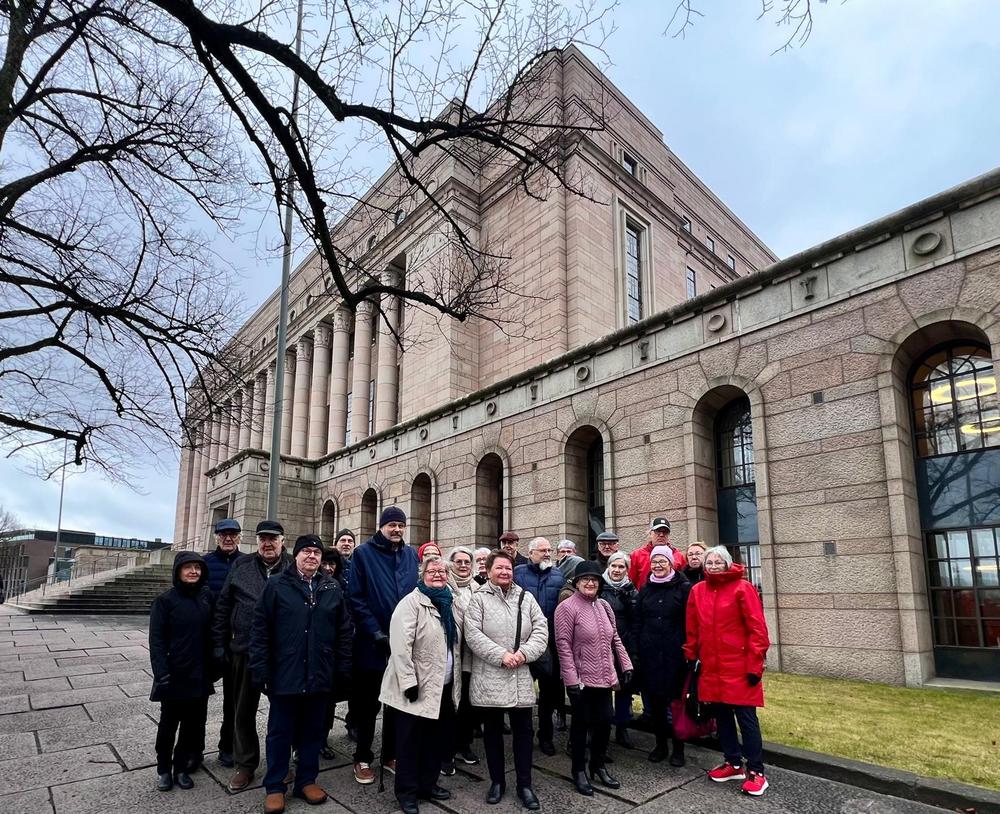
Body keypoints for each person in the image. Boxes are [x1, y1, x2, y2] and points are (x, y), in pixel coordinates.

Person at [250, 535, 353, 814]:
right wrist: (260, 668)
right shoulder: (276, 585)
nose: (312, 556)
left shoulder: (331, 587)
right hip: (286, 671)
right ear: (295, 555)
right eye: (306, 551)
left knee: (312, 731)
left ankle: (307, 780)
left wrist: (342, 666)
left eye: (316, 553)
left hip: (319, 671)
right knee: (280, 732)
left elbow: (343, 630)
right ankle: (275, 786)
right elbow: (260, 629)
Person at [212, 519, 292, 792]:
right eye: (263, 539)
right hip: (244, 649)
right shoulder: (241, 565)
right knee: (242, 710)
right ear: (256, 541)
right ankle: (245, 764)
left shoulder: (293, 566)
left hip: (282, 653)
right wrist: (220, 643)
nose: (267, 544)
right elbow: (224, 605)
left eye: (273, 539)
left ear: (282, 541)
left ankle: (280, 764)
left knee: (283, 712)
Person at [684, 546, 771, 797]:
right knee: (722, 717)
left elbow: (757, 628)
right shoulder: (698, 590)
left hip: (739, 666)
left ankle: (756, 771)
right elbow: (693, 627)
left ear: (727, 564)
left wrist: (755, 664)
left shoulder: (743, 588)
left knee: (747, 719)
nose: (713, 566)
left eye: (717, 562)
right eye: (709, 562)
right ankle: (733, 762)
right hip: (712, 667)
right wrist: (691, 655)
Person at [464, 549, 548, 810]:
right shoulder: (478, 599)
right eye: (499, 568)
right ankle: (497, 782)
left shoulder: (526, 597)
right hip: (490, 675)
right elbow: (472, 634)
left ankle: (525, 785)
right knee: (493, 733)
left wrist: (523, 654)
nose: (504, 572)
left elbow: (541, 629)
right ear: (488, 571)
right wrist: (501, 655)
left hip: (519, 675)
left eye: (508, 568)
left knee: (524, 733)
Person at [380, 556, 462, 814]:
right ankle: (407, 792)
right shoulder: (411, 603)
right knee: (410, 742)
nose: (437, 574)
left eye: (442, 571)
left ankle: (428, 784)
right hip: (416, 686)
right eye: (432, 571)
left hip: (443, 685)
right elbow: (399, 646)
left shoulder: (451, 602)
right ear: (422, 575)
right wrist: (408, 682)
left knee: (435, 740)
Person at [348, 507, 419, 785]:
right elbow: (356, 597)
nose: (397, 529)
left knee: (397, 704)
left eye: (401, 525)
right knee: (368, 707)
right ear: (381, 526)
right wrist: (375, 632)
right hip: (373, 643)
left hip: (403, 644)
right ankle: (362, 757)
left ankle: (390, 754)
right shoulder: (363, 554)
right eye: (392, 525)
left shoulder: (410, 555)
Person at [554, 561, 633, 797]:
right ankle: (578, 770)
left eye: (595, 579)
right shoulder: (567, 608)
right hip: (581, 680)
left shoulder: (604, 606)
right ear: (577, 582)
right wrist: (570, 679)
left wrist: (626, 665)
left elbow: (615, 638)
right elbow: (563, 645)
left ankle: (598, 765)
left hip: (605, 677)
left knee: (604, 723)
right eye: (585, 579)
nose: (590, 583)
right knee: (581, 726)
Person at [149, 551, 217, 792]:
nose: (193, 572)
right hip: (174, 673)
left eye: (197, 568)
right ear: (178, 571)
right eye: (188, 567)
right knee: (168, 725)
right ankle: (163, 769)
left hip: (199, 673)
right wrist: (161, 672)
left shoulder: (206, 598)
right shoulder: (164, 601)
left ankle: (180, 768)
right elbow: (156, 641)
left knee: (192, 725)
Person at [634, 545, 690, 765]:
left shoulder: (684, 588)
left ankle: (679, 748)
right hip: (651, 655)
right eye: (654, 562)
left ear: (671, 564)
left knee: (676, 705)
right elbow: (638, 620)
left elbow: (690, 621)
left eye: (662, 561)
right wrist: (637, 649)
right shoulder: (646, 589)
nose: (658, 566)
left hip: (675, 655)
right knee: (656, 704)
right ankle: (660, 745)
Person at [513, 537, 565, 756]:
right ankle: (523, 735)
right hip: (524, 643)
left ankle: (546, 736)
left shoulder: (558, 575)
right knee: (523, 691)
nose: (547, 554)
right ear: (530, 553)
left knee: (549, 693)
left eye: (549, 550)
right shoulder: (518, 573)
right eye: (542, 550)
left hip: (550, 644)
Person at [202, 518, 244, 767]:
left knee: (233, 700)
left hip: (235, 641)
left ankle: (227, 746)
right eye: (223, 535)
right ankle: (193, 750)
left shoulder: (246, 563)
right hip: (209, 639)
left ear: (239, 537)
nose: (228, 538)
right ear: (216, 537)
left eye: (232, 534)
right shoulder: (205, 564)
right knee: (198, 699)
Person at [444, 546, 480, 771]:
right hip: (451, 655)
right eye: (459, 562)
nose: (464, 565)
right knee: (449, 705)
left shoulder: (478, 588)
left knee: (468, 703)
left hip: (472, 656)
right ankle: (445, 750)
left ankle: (464, 744)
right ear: (451, 564)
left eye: (467, 562)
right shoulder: (445, 586)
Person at [601, 551, 639, 749]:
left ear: (627, 570)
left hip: (624, 646)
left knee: (624, 690)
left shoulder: (632, 591)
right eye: (613, 566)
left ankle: (622, 728)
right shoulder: (599, 588)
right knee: (603, 690)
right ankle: (602, 729)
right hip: (601, 646)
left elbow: (636, 622)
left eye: (621, 567)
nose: (616, 570)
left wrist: (633, 650)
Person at [319, 547, 351, 759]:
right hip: (314, 650)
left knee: (328, 701)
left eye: (332, 564)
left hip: (332, 653)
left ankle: (322, 739)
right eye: (325, 563)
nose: (328, 568)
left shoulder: (341, 586)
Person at [628, 518, 687, 590]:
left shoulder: (678, 556)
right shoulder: (637, 555)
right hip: (645, 595)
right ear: (650, 533)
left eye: (665, 532)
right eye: (657, 531)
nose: (661, 535)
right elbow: (632, 580)